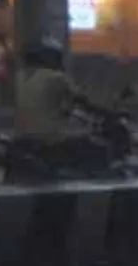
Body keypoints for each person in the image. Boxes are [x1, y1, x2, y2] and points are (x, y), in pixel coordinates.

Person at [12, 40, 106, 174]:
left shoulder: (19, 76)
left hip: (22, 139)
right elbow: (83, 102)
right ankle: (91, 182)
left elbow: (44, 103)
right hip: (48, 140)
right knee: (95, 146)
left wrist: (64, 111)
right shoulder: (56, 77)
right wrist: (106, 112)